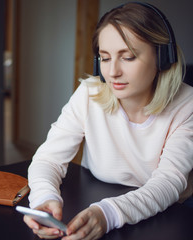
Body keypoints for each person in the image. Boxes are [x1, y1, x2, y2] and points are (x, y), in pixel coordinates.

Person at [23, 2, 193, 240]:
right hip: (93, 196)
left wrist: (107, 214)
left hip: (167, 215)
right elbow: (48, 158)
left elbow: (167, 184)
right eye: (104, 58)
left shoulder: (188, 106)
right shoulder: (89, 93)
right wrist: (43, 198)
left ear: (163, 58)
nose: (112, 72)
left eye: (128, 57)